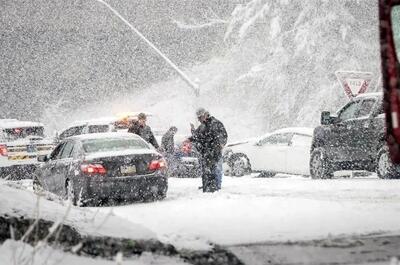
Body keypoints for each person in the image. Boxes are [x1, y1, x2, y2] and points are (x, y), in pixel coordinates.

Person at [189, 108, 227, 192]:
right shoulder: (203, 125)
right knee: (207, 170)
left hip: (214, 151)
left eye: (200, 117)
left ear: (205, 115)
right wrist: (190, 138)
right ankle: (208, 185)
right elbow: (197, 136)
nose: (199, 120)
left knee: (216, 169)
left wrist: (221, 144)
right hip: (206, 152)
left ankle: (216, 186)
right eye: (198, 118)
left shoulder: (215, 123)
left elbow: (223, 135)